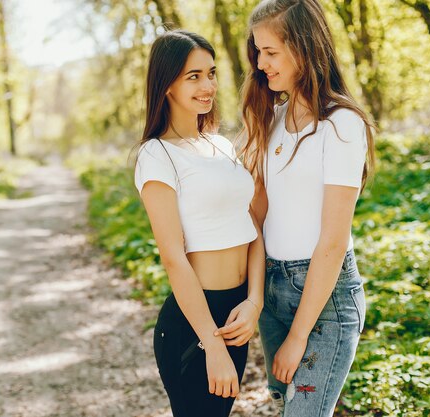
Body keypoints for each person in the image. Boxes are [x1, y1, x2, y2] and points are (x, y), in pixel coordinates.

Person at [238, 1, 376, 416]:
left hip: (325, 301)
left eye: (271, 52)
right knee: (287, 406)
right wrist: (250, 294)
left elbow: (333, 242)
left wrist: (298, 337)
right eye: (258, 52)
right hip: (274, 290)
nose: (261, 63)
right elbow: (257, 215)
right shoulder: (273, 117)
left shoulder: (341, 124)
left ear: (304, 47)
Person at [133, 30, 265, 417]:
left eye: (211, 73)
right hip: (194, 325)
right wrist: (211, 342)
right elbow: (174, 257)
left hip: (235, 315)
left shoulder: (221, 145)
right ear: (167, 83)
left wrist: (253, 302)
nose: (208, 86)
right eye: (193, 76)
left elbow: (252, 226)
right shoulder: (156, 155)